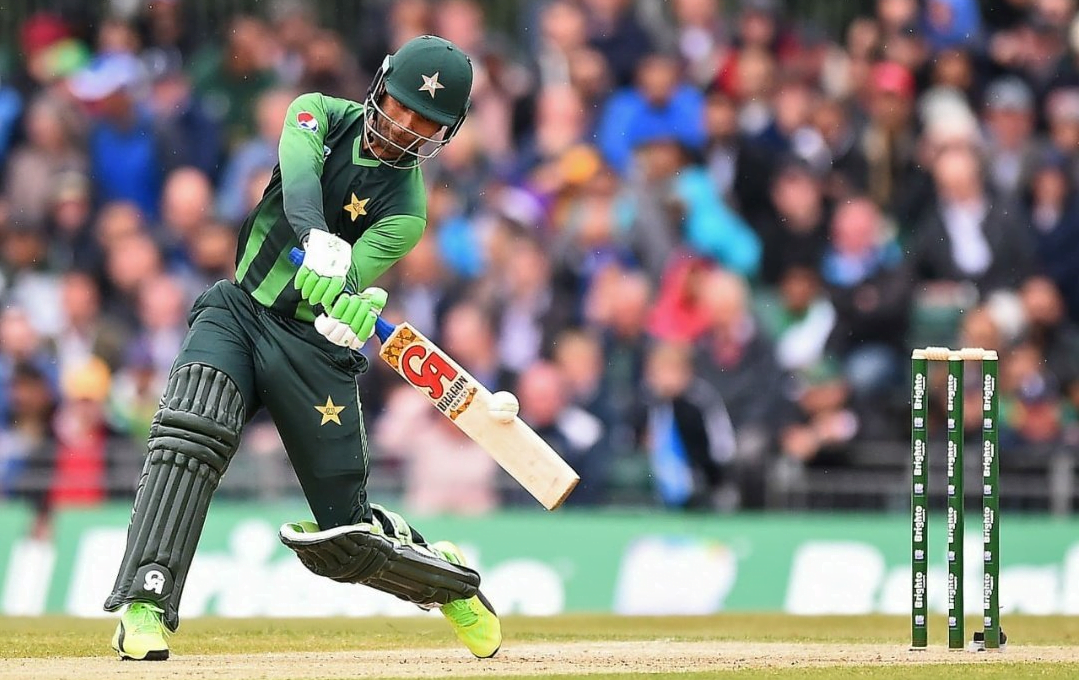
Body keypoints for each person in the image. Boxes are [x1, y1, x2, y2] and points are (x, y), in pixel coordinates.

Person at [103, 35, 501, 661]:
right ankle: (144, 603)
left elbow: (348, 280)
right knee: (190, 433)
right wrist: (317, 236)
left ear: (445, 134)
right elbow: (298, 176)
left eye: (425, 123)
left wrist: (348, 307)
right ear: (379, 88)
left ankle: (444, 578)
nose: (403, 128)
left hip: (312, 345)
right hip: (240, 309)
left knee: (344, 540)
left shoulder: (408, 210)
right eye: (400, 106)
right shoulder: (316, 113)